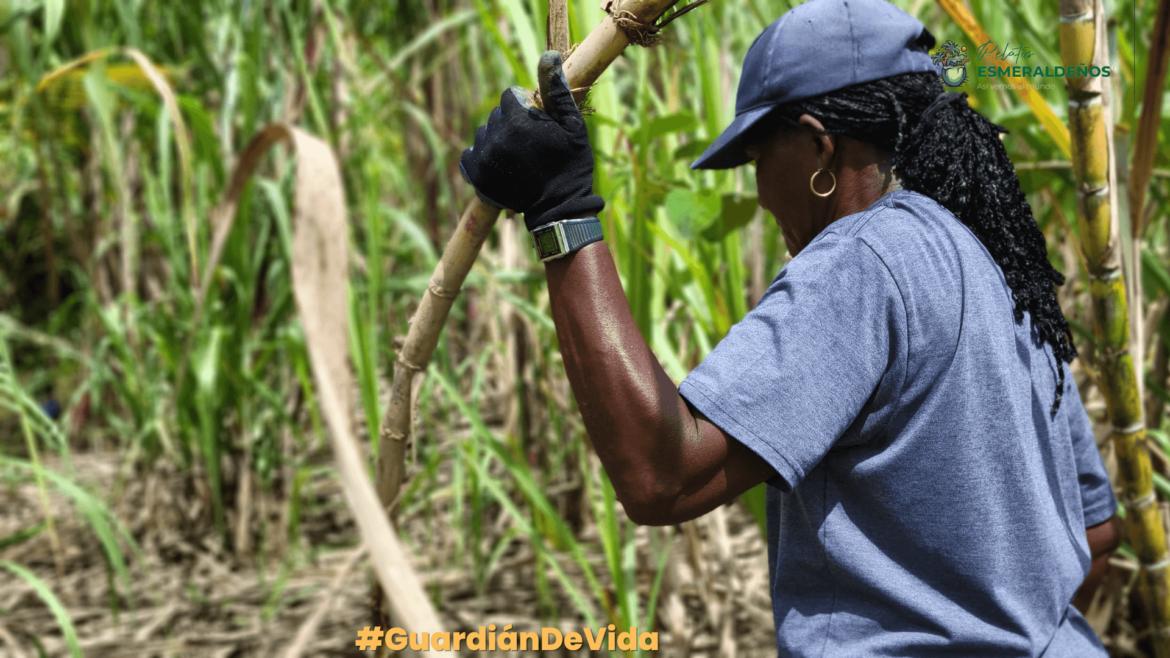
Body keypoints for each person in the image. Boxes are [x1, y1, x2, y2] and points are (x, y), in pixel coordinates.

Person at [459, 0, 1122, 654]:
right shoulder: (1000, 272)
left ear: (818, 148)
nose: (759, 193)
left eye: (756, 158)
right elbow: (1094, 535)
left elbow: (663, 473)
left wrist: (561, 212)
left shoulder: (865, 258)